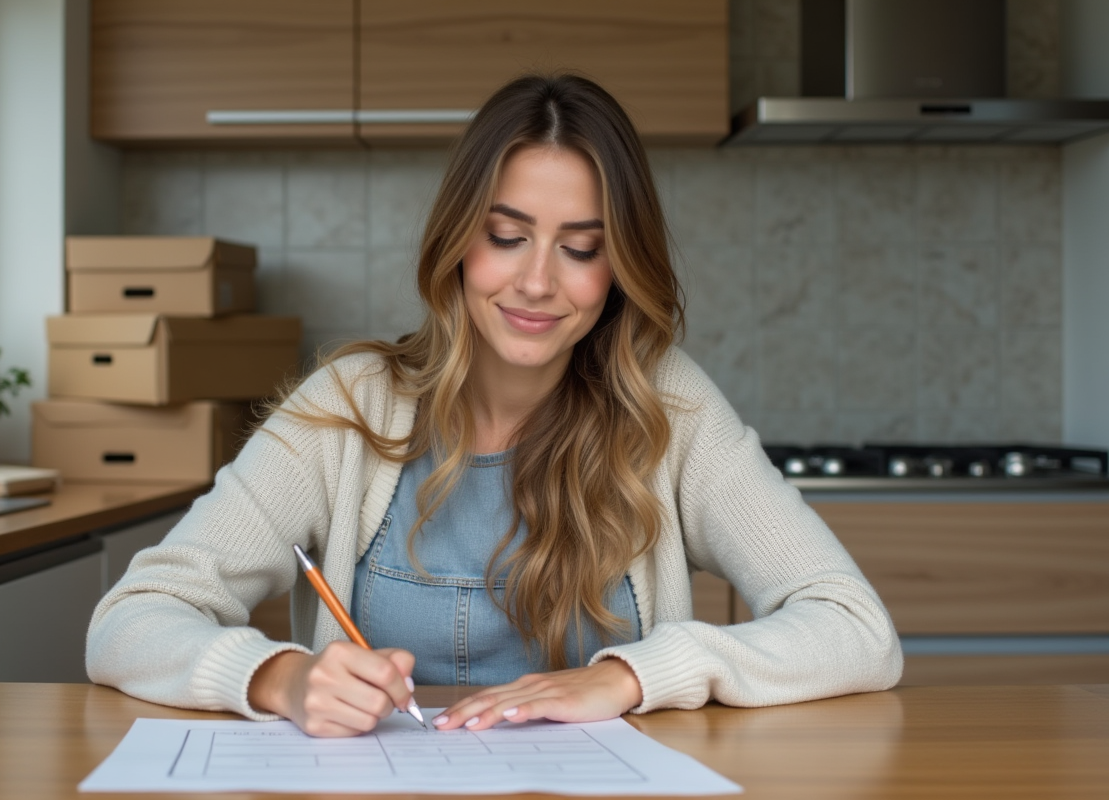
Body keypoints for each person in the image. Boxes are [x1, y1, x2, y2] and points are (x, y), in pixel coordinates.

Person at [87, 73, 902, 738]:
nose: (539, 282)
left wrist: (629, 676)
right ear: (457, 240)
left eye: (581, 249)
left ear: (619, 268)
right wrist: (282, 677)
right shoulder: (347, 404)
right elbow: (131, 620)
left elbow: (856, 630)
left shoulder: (670, 407)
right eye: (507, 236)